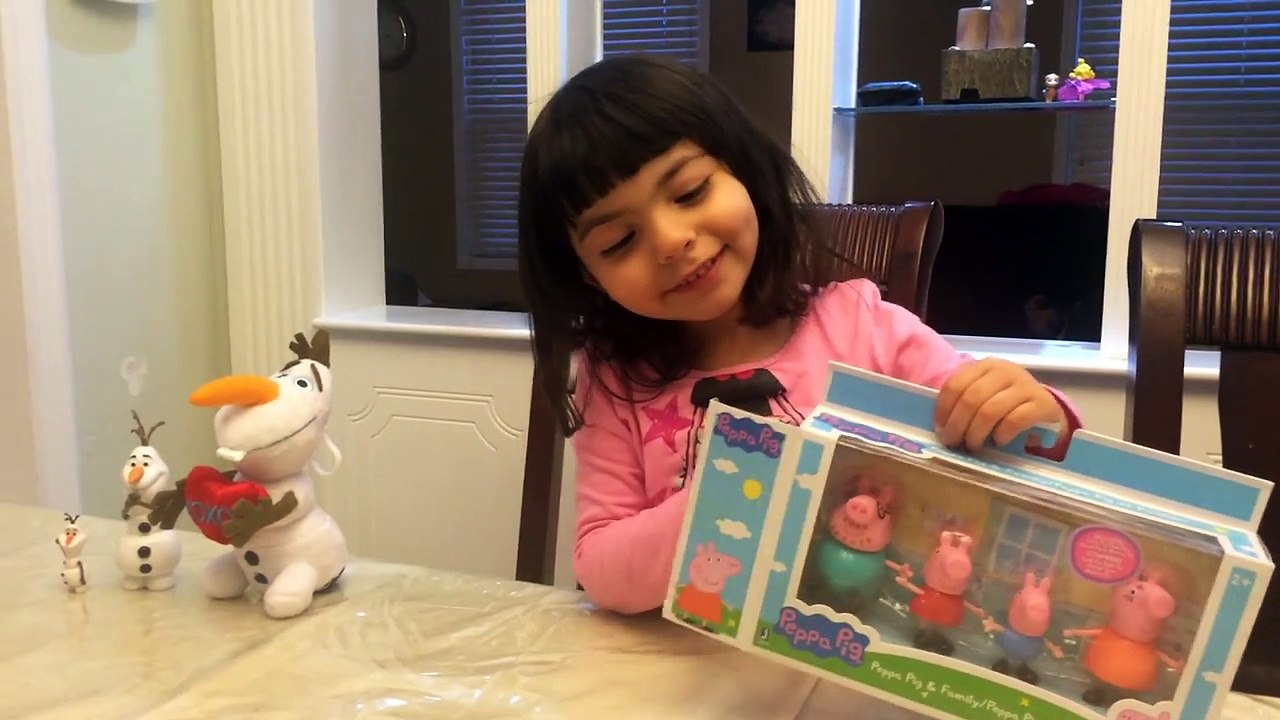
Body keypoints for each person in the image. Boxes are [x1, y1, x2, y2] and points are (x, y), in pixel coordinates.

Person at [517, 55, 1081, 615]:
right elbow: (602, 569)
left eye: (689, 192)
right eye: (619, 241)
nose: (670, 240)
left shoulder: (861, 325)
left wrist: (1033, 412)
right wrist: (737, 487)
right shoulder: (614, 379)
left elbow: (1032, 450)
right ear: (588, 276)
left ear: (745, 172)